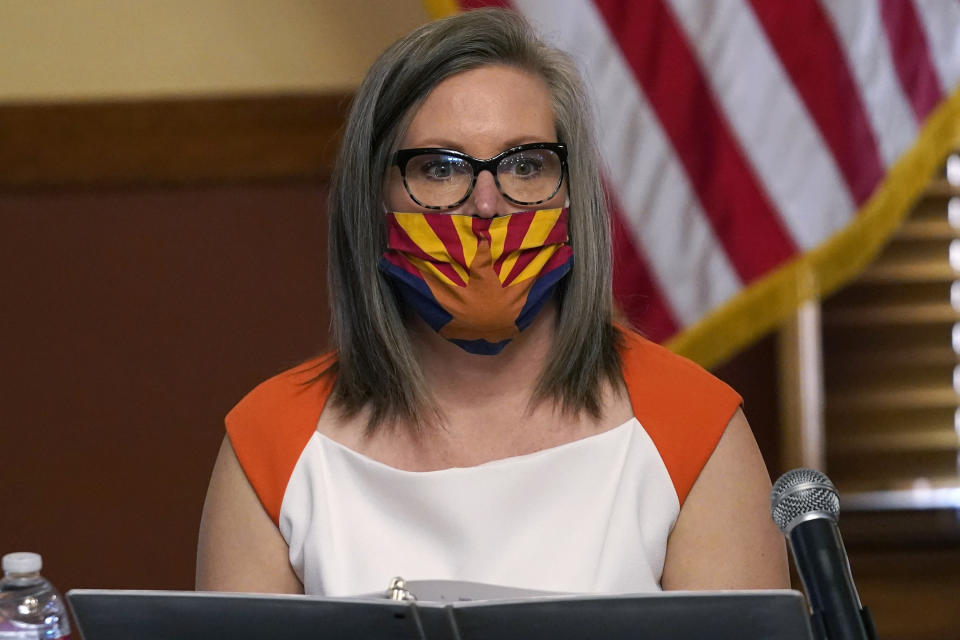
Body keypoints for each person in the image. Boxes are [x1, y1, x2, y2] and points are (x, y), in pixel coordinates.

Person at [196, 8, 789, 596]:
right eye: (440, 168)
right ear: (374, 197)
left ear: (571, 193)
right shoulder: (270, 441)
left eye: (526, 165)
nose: (485, 204)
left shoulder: (695, 427)